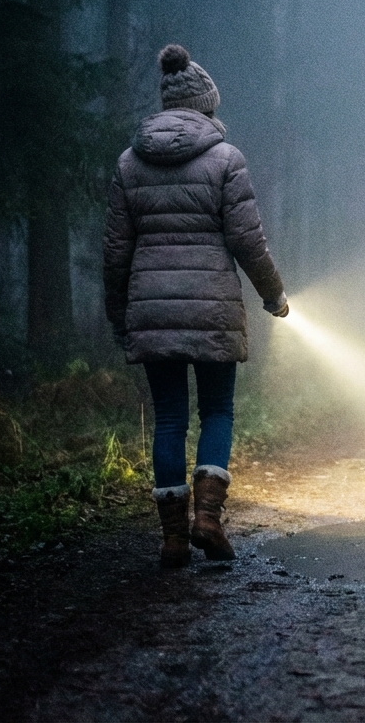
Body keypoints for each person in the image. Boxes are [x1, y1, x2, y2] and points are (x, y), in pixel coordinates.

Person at [103, 44, 289, 569]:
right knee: (218, 411)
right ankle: (207, 519)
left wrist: (120, 315)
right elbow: (248, 241)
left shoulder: (128, 164)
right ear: (207, 107)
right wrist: (273, 295)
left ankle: (171, 540)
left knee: (168, 419)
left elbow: (116, 250)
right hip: (212, 311)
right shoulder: (226, 160)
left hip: (152, 311)